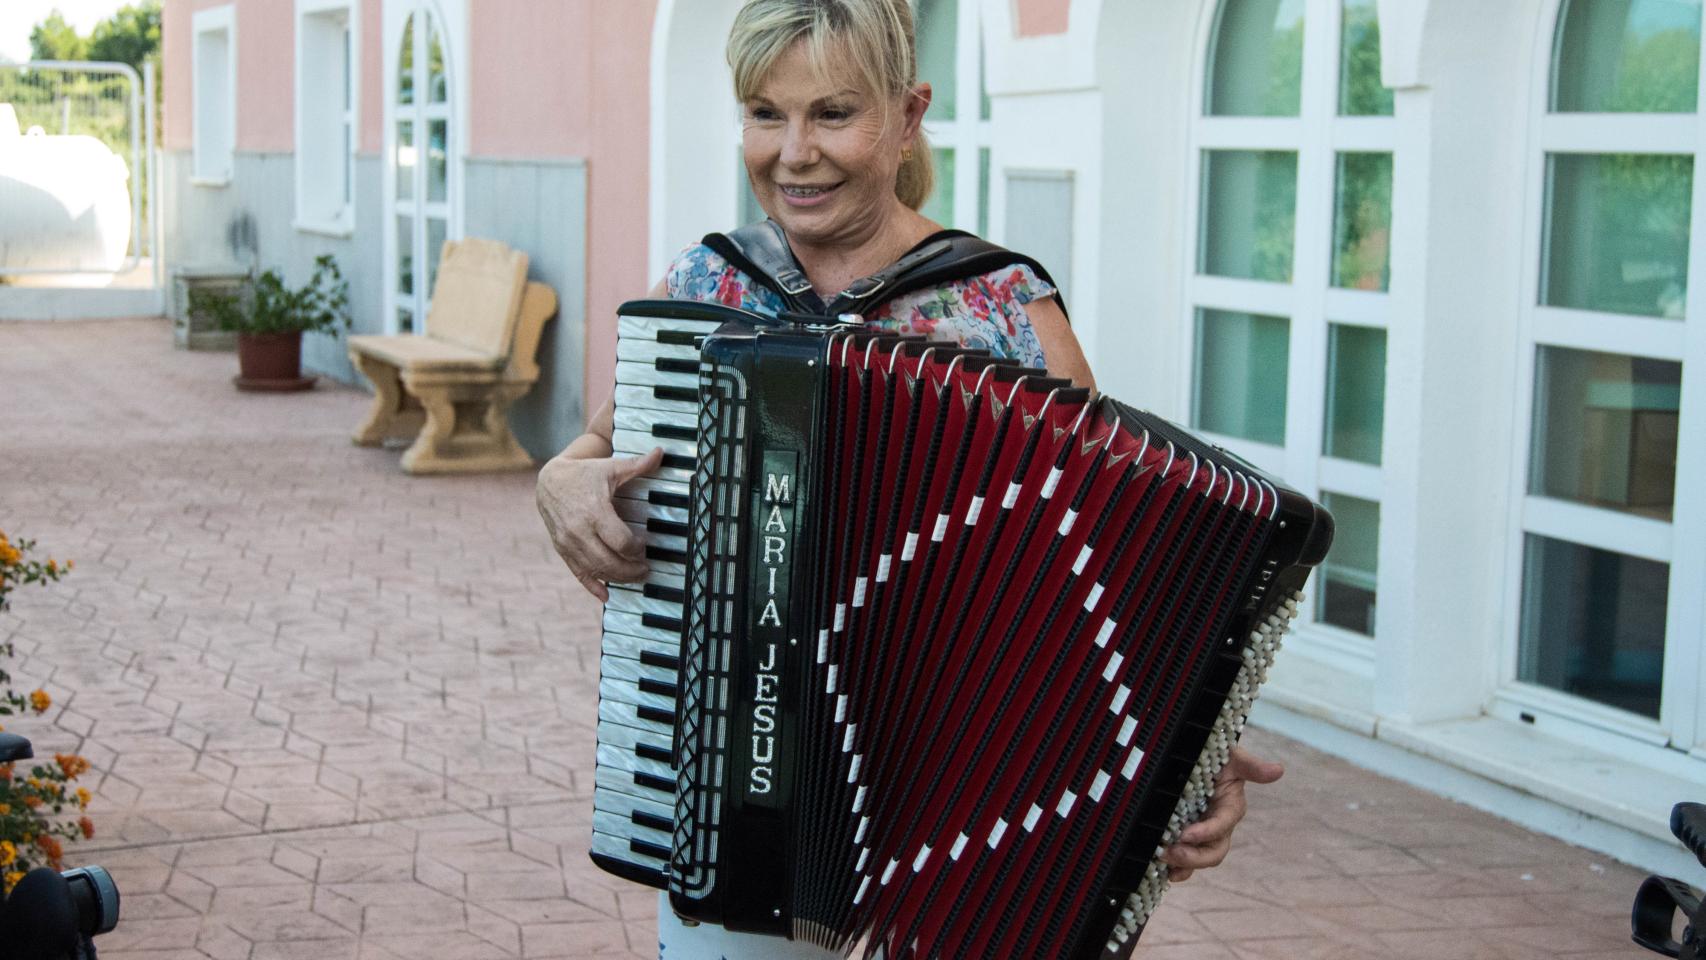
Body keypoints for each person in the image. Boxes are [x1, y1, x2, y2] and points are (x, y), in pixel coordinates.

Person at [534, 1, 1284, 955]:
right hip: (737, 791)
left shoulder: (1001, 305)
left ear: (908, 114)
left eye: (833, 114)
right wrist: (560, 480)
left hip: (965, 811)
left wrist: (1188, 743)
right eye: (765, 114)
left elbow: (1112, 559)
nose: (794, 152)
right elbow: (598, 448)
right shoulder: (707, 288)